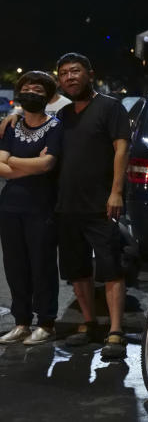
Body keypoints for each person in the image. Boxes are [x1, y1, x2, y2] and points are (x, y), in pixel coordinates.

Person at [54, 53, 131, 359]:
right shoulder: (63, 114)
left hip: (101, 203)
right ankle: (89, 323)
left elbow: (121, 149)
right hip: (67, 205)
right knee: (77, 269)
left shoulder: (110, 107)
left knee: (110, 267)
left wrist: (116, 192)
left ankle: (115, 330)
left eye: (75, 71)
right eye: (63, 73)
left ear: (89, 73)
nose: (69, 77)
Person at [0, 72, 64, 345]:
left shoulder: (55, 126)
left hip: (42, 206)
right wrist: (29, 165)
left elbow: (49, 164)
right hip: (10, 206)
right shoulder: (11, 126)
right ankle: (21, 322)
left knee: (43, 265)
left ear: (47, 96)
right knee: (15, 266)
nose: (30, 93)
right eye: (25, 89)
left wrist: (14, 162)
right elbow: (1, 166)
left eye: (37, 89)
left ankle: (46, 323)